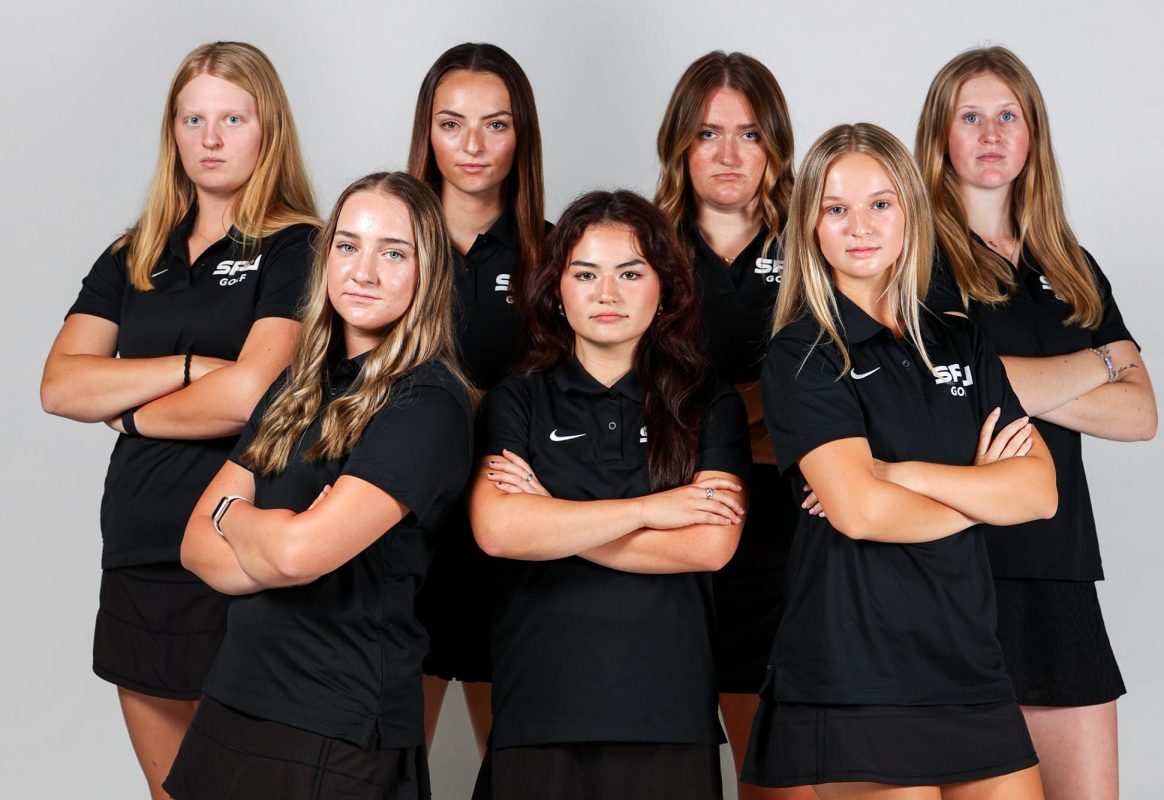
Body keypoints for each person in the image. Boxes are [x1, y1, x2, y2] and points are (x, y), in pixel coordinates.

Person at [39, 41, 319, 799]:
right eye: (193, 119)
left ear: (268, 130)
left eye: (232, 117)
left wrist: (128, 415)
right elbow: (62, 387)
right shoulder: (133, 255)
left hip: (237, 546)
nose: (212, 138)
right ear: (173, 132)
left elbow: (254, 395)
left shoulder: (300, 247)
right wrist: (193, 367)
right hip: (137, 549)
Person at [748, 122, 1057, 798]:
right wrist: (981, 493)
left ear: (910, 212)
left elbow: (1037, 493)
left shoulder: (961, 340)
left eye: (881, 204)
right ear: (811, 227)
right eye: (836, 209)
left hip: (968, 658)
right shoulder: (803, 353)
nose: (860, 226)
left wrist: (900, 474)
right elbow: (860, 513)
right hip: (857, 669)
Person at [164, 172, 475, 800]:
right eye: (348, 245)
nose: (364, 271)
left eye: (394, 251)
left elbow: (299, 555)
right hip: (237, 690)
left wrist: (241, 522)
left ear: (429, 271)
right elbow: (195, 545)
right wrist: (270, 535)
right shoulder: (297, 385)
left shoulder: (427, 402)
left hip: (337, 720)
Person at [915, 47, 1157, 800]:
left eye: (1008, 116)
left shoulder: (1071, 264)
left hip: (1059, 568)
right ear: (941, 136)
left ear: (1032, 136)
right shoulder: (915, 257)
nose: (991, 135)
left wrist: (1000, 379)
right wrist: (1102, 364)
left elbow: (1141, 413)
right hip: (956, 567)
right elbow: (935, 389)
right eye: (971, 116)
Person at [469, 190, 750, 800]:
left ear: (665, 287)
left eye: (630, 272)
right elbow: (499, 531)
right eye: (585, 273)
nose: (607, 293)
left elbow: (709, 546)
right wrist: (652, 510)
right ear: (556, 289)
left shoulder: (708, 402)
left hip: (668, 714)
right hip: (538, 709)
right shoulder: (516, 399)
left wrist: (552, 520)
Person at [654, 50, 812, 800]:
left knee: (771, 775)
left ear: (775, 146)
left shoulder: (815, 248)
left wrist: (705, 412)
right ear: (680, 142)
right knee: (665, 769)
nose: (727, 154)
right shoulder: (644, 250)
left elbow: (831, 401)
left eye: (748, 134)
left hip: (784, 536)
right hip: (665, 532)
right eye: (709, 133)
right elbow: (634, 408)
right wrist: (759, 411)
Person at [406, 42, 548, 754]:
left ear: (522, 133)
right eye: (451, 122)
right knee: (385, 767)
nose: (472, 145)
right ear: (426, 133)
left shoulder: (554, 256)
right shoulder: (385, 245)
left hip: (510, 537)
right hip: (399, 530)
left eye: (495, 124)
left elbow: (569, 399)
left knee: (519, 768)